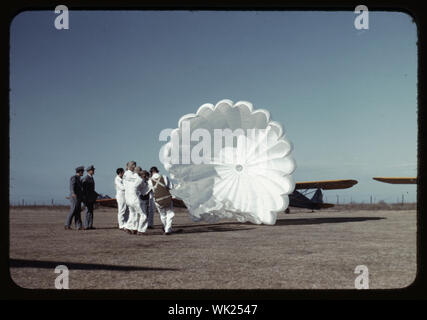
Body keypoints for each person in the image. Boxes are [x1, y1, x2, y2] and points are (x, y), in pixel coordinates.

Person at [148, 166, 175, 235]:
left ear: (151, 173)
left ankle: (166, 227)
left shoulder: (150, 181)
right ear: (157, 171)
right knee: (170, 214)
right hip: (167, 198)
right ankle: (168, 229)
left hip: (158, 200)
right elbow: (171, 187)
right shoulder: (164, 177)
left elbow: (147, 191)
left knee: (162, 215)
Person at [123, 162, 147, 235]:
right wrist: (140, 176)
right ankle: (141, 230)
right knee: (143, 215)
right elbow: (142, 187)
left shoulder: (125, 175)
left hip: (127, 198)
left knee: (133, 213)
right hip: (134, 198)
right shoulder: (137, 178)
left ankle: (130, 227)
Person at [82, 165, 98, 230]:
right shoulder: (86, 178)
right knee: (87, 211)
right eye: (92, 170)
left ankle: (90, 225)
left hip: (91, 198)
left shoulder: (91, 178)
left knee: (91, 212)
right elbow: (84, 189)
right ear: (89, 171)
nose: (93, 171)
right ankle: (86, 225)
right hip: (87, 198)